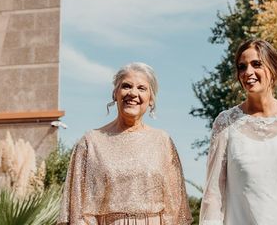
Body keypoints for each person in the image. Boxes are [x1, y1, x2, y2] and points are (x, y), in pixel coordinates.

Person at [199, 38, 277, 225]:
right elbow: (213, 194)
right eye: (242, 67)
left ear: (273, 68)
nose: (248, 72)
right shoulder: (225, 123)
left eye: (256, 64)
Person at [58, 62, 191, 225]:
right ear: (115, 93)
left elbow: (176, 208)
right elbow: (78, 209)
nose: (133, 93)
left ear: (151, 99)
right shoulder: (91, 142)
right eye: (126, 86)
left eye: (142, 88)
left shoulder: (163, 141)